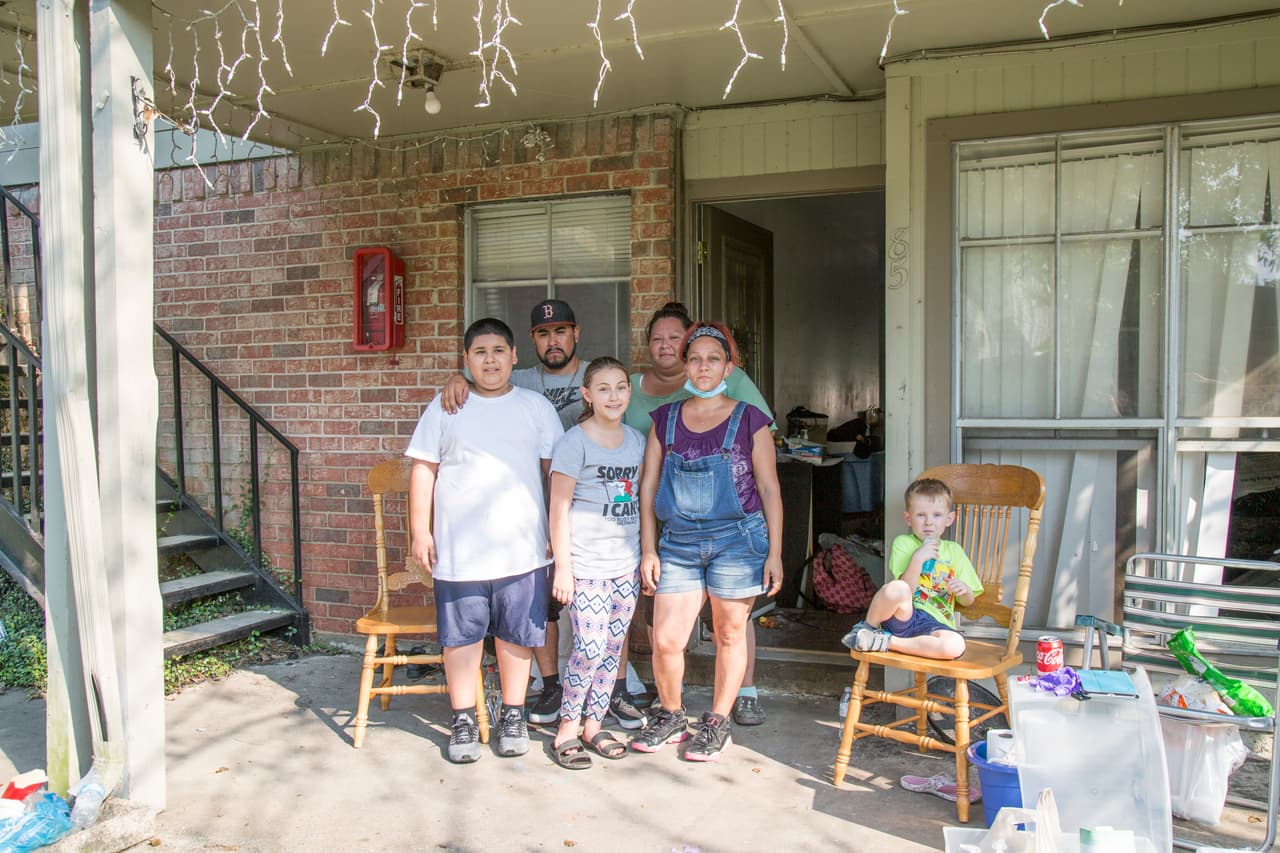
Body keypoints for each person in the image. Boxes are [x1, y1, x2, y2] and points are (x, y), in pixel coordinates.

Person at [405, 317, 563, 763]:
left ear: (515, 357)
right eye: (479, 352)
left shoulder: (536, 408)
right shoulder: (445, 407)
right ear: (466, 360)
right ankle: (463, 718)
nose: (490, 360)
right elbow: (423, 469)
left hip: (523, 548)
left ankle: (512, 714)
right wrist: (421, 530)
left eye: (498, 351)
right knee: (461, 638)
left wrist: (557, 532)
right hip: (461, 551)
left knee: (517, 634)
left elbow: (555, 475)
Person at [632, 322, 783, 761]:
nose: (702, 367)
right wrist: (648, 548)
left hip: (738, 540)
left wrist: (774, 552)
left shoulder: (750, 419)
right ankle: (673, 714)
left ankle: (717, 722)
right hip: (678, 541)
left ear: (728, 368)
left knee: (730, 634)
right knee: (666, 639)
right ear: (685, 367)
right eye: (694, 359)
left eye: (712, 359)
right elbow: (647, 488)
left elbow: (770, 488)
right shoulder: (665, 419)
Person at [439, 298, 585, 727]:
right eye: (543, 333)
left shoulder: (594, 374)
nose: (553, 340)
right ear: (529, 343)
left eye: (560, 331)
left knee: (579, 603)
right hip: (527, 519)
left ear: (576, 333)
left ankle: (606, 684)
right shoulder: (517, 376)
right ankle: (551, 684)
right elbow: (483, 368)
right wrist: (457, 376)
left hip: (573, 506)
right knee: (539, 614)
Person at [546, 357, 646, 769]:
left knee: (611, 647)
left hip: (625, 563)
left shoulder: (637, 441)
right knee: (587, 647)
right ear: (587, 395)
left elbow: (640, 500)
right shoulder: (574, 441)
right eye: (603, 388)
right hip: (585, 565)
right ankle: (567, 728)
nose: (614, 395)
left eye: (621, 387)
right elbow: (558, 506)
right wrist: (563, 567)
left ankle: (594, 722)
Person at [841, 478, 979, 659]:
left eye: (937, 515)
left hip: (935, 624)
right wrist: (918, 558)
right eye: (921, 515)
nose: (929, 522)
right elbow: (905, 589)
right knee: (897, 587)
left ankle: (883, 641)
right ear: (908, 518)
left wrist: (964, 590)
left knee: (955, 645)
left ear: (949, 519)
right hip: (904, 615)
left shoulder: (955, 552)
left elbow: (968, 601)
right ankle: (866, 628)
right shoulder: (903, 543)